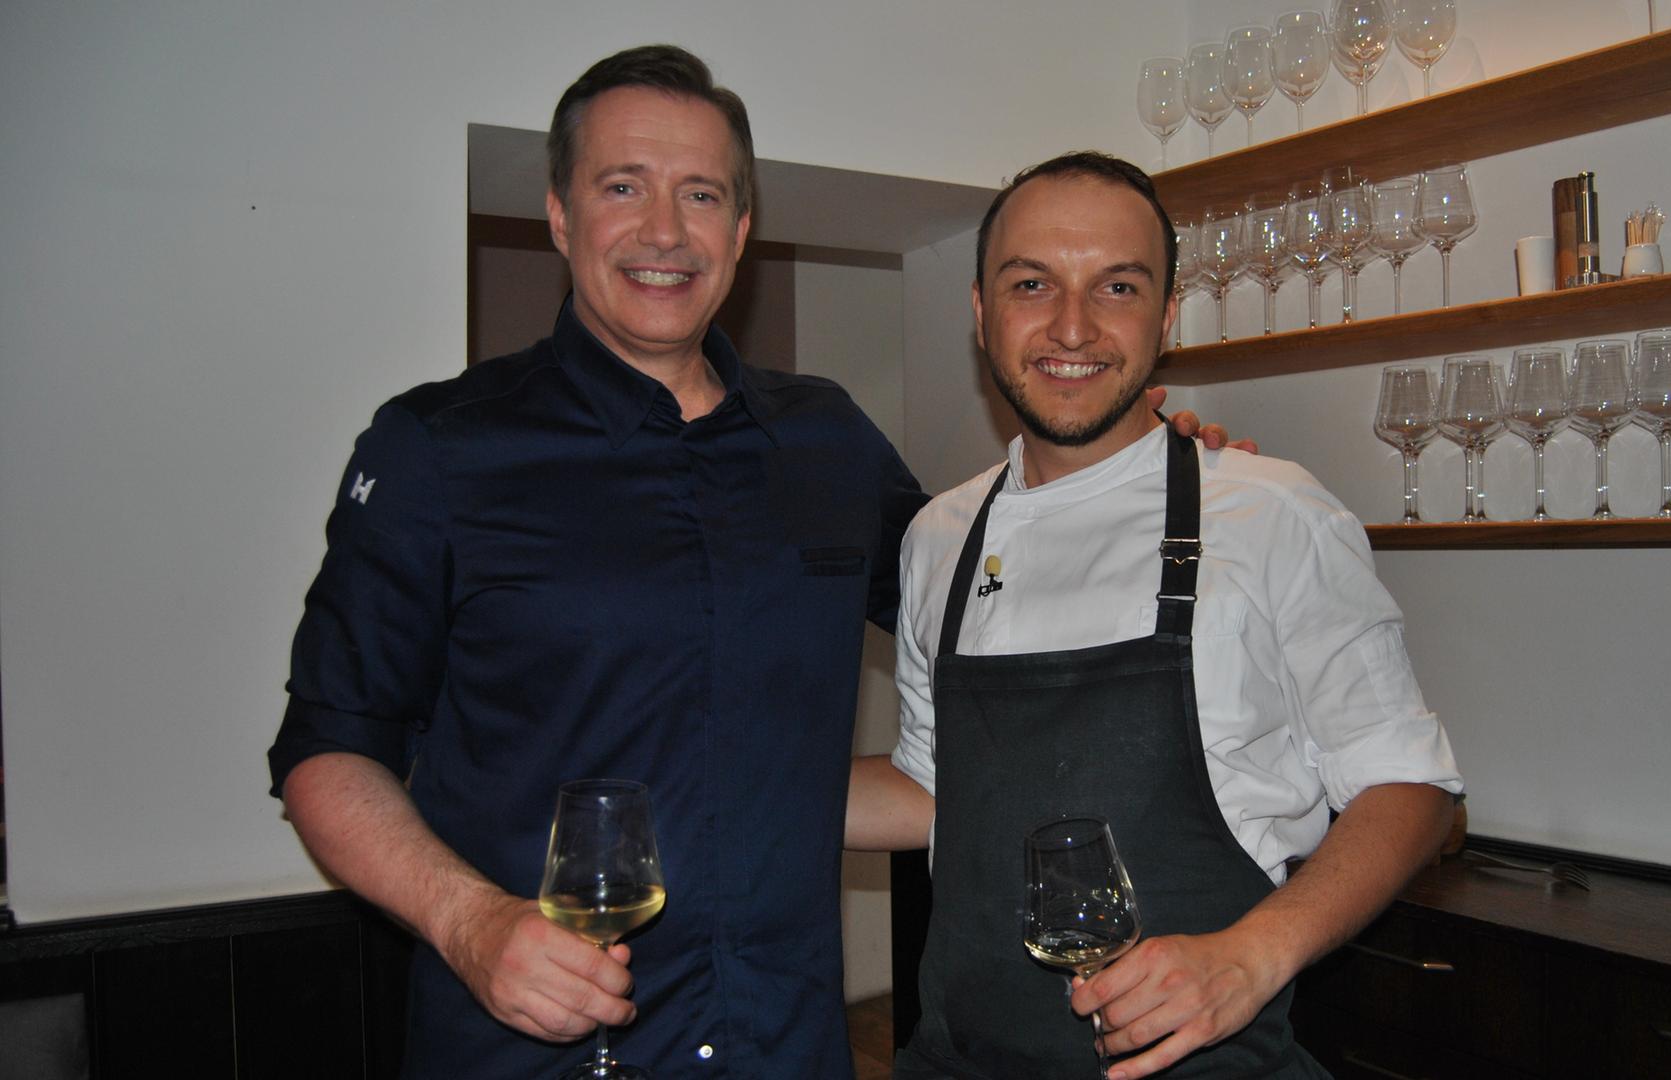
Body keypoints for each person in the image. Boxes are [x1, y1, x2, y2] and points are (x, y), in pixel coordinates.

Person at [268, 47, 1230, 1078]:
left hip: (788, 1048)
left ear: (738, 231)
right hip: (534, 1056)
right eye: (622, 187)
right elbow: (327, 753)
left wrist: (1142, 475)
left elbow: (994, 594)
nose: (664, 231)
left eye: (700, 194)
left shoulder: (827, 442)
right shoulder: (439, 449)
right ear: (559, 215)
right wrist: (468, 923)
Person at [846, 153, 1464, 1080]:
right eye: (1031, 284)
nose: (1072, 326)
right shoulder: (940, 534)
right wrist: (720, 785)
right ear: (981, 312)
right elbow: (936, 785)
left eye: (1118, 286)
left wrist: (1253, 955)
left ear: (1166, 316)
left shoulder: (1271, 512)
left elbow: (1410, 787)